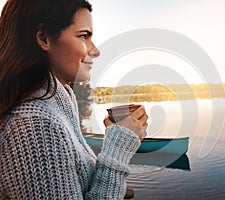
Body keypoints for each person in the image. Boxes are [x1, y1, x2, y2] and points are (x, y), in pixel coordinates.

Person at [0, 0, 148, 199]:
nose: (95, 50)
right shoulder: (35, 125)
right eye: (84, 36)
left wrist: (117, 137)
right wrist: (117, 149)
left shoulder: (58, 103)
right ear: (44, 38)